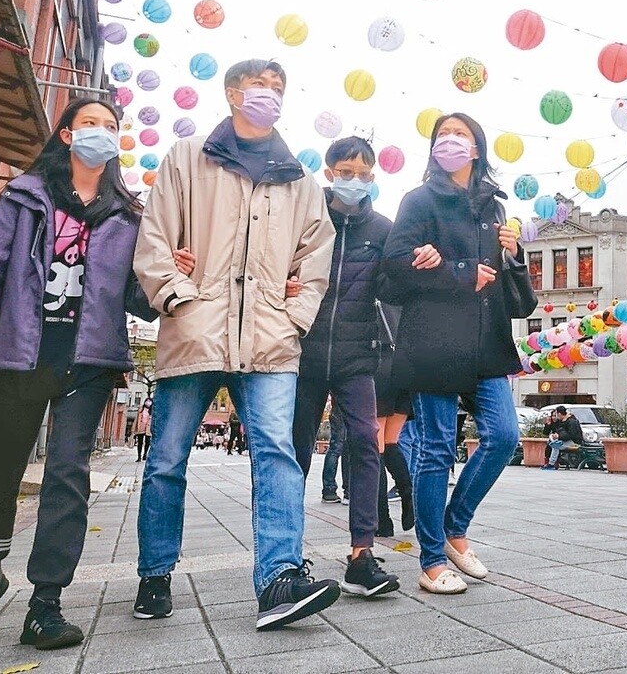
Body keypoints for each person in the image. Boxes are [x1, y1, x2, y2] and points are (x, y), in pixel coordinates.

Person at [0, 98, 154, 649]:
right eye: (90, 125)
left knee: (66, 476)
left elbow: (138, 299)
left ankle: (46, 603)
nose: (101, 134)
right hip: (18, 355)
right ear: (65, 136)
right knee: (1, 472)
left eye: (111, 127)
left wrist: (169, 274)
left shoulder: (129, 215)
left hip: (89, 362)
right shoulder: (23, 199)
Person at [133, 58, 339, 631]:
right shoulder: (188, 158)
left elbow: (316, 258)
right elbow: (155, 237)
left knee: (277, 452)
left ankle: (279, 579)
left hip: (271, 340)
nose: (268, 95)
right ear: (231, 94)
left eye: (278, 87)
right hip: (195, 330)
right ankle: (154, 573)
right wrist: (178, 297)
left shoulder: (299, 178)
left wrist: (294, 313)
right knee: (168, 459)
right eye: (258, 87)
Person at [379, 112, 523, 595]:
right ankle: (433, 558)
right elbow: (394, 265)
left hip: (487, 341)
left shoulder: (496, 209)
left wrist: (514, 257)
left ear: (477, 149)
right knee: (436, 449)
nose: (450, 142)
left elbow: (517, 297)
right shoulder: (419, 200)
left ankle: (453, 525)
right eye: (443, 136)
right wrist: (458, 269)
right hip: (435, 341)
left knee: (504, 435)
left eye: (460, 135)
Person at [291, 135, 421, 597]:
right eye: (346, 173)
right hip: (300, 354)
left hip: (359, 358)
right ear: (328, 174)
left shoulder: (383, 230)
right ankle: (285, 556)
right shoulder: (305, 220)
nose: (354, 182)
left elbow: (396, 289)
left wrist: (418, 264)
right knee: (295, 452)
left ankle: (361, 556)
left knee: (367, 445)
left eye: (364, 175)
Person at [374, 299, 415, 536]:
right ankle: (408, 495)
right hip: (405, 367)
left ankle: (382, 521)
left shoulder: (373, 291)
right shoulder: (401, 296)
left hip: (380, 367)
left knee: (376, 447)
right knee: (391, 443)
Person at [320, 408, 348, 504]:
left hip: (337, 409)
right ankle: (349, 492)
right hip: (349, 408)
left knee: (334, 448)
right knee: (347, 450)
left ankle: (329, 490)